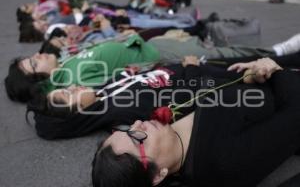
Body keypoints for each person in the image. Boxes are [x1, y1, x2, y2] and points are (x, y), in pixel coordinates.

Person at [91, 57, 300, 187]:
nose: (138, 123)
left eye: (126, 128)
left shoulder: (167, 123)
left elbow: (218, 88)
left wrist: (250, 75)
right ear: (158, 175)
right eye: (138, 139)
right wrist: (275, 70)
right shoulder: (224, 162)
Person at [5, 32, 300, 103]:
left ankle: (278, 52)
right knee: (228, 54)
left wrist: (118, 38)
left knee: (216, 49)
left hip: (150, 44)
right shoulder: (70, 78)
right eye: (33, 62)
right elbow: (113, 81)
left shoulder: (65, 65)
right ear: (35, 78)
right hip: (159, 53)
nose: (38, 55)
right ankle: (280, 51)